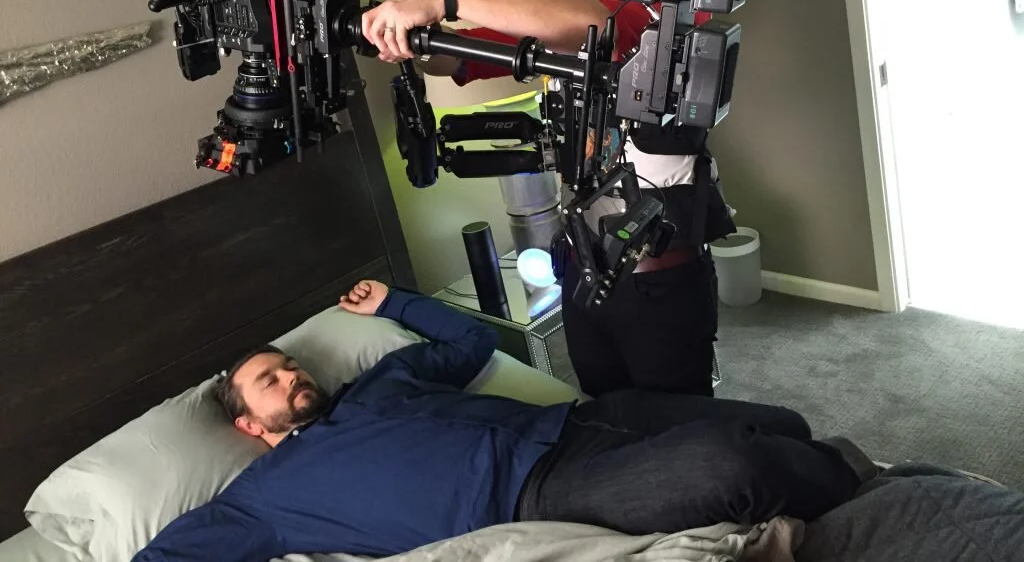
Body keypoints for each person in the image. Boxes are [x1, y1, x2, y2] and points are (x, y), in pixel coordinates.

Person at [134, 280, 866, 561]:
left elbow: (475, 342)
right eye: (269, 380)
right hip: (541, 490)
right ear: (249, 426)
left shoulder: (380, 383)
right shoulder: (268, 498)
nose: (291, 375)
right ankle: (865, 494)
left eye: (288, 364)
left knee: (781, 419)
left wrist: (395, 303)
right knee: (734, 467)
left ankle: (829, 468)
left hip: (579, 420)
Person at [362, 0, 734, 400]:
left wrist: (441, 1)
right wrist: (401, 33)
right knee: (605, 427)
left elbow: (594, 24)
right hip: (584, 270)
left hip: (658, 282)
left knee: (679, 437)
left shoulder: (654, 17)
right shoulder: (558, 22)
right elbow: (456, 57)